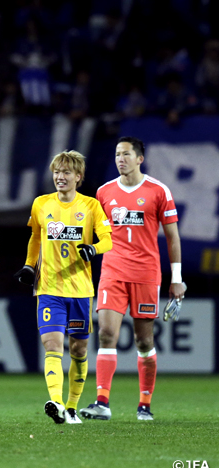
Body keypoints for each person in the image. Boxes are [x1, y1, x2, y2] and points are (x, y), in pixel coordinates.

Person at [80, 136, 186, 422]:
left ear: (140, 158)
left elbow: (173, 238)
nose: (120, 159)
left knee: (143, 340)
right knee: (106, 334)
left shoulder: (158, 191)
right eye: (117, 154)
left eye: (126, 154)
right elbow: (94, 235)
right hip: (113, 271)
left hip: (145, 274)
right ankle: (102, 402)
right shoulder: (103, 193)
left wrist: (177, 278)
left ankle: (144, 404)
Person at [14, 151, 112, 424]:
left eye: (67, 172)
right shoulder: (41, 204)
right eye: (57, 171)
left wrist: (93, 248)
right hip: (48, 288)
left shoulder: (91, 206)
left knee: (79, 350)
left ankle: (71, 407)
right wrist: (29, 266)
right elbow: (35, 237)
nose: (60, 176)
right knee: (53, 345)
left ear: (78, 177)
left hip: (80, 290)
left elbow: (108, 240)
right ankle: (56, 402)